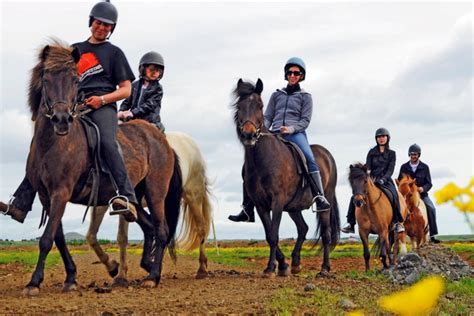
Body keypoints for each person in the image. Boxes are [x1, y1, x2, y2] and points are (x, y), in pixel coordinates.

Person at [1, 2, 138, 223]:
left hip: (103, 106)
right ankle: (21, 203)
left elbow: (126, 89)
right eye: (98, 23)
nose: (102, 28)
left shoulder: (114, 53)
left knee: (106, 142)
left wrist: (101, 99)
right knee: (45, 146)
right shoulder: (74, 50)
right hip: (76, 106)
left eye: (107, 26)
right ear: (91, 22)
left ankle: (127, 197)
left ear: (112, 29)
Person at [228, 57, 330, 223]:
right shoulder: (277, 95)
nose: (292, 75)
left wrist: (290, 129)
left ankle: (319, 196)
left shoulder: (306, 97)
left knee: (310, 158)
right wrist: (264, 128)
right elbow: (267, 116)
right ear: (286, 74)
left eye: (296, 73)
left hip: (296, 134)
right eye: (290, 72)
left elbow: (305, 121)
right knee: (248, 166)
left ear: (301, 76)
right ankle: (247, 208)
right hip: (274, 133)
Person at [341, 128, 405, 234]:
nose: (381, 139)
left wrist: (383, 179)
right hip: (372, 181)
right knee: (356, 195)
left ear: (387, 138)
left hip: (386, 181)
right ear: (376, 139)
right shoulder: (371, 152)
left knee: (394, 195)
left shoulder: (392, 154)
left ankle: (398, 222)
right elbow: (368, 167)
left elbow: (390, 170)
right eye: (379, 137)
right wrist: (366, 174)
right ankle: (350, 223)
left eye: (383, 136)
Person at [398, 144, 440, 243]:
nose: (413, 156)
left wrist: (423, 188)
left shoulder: (425, 167)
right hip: (407, 196)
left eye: (415, 154)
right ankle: (394, 235)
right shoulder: (404, 167)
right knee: (395, 209)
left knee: (431, 208)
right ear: (409, 154)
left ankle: (432, 235)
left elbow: (429, 183)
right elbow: (400, 182)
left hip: (421, 195)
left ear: (419, 155)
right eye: (412, 154)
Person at [117, 51, 165, 132]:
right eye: (151, 69)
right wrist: (121, 111)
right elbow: (127, 101)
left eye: (157, 71)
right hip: (133, 119)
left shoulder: (158, 88)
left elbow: (149, 105)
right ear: (143, 69)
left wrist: (132, 112)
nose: (154, 73)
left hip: (150, 122)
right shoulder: (134, 85)